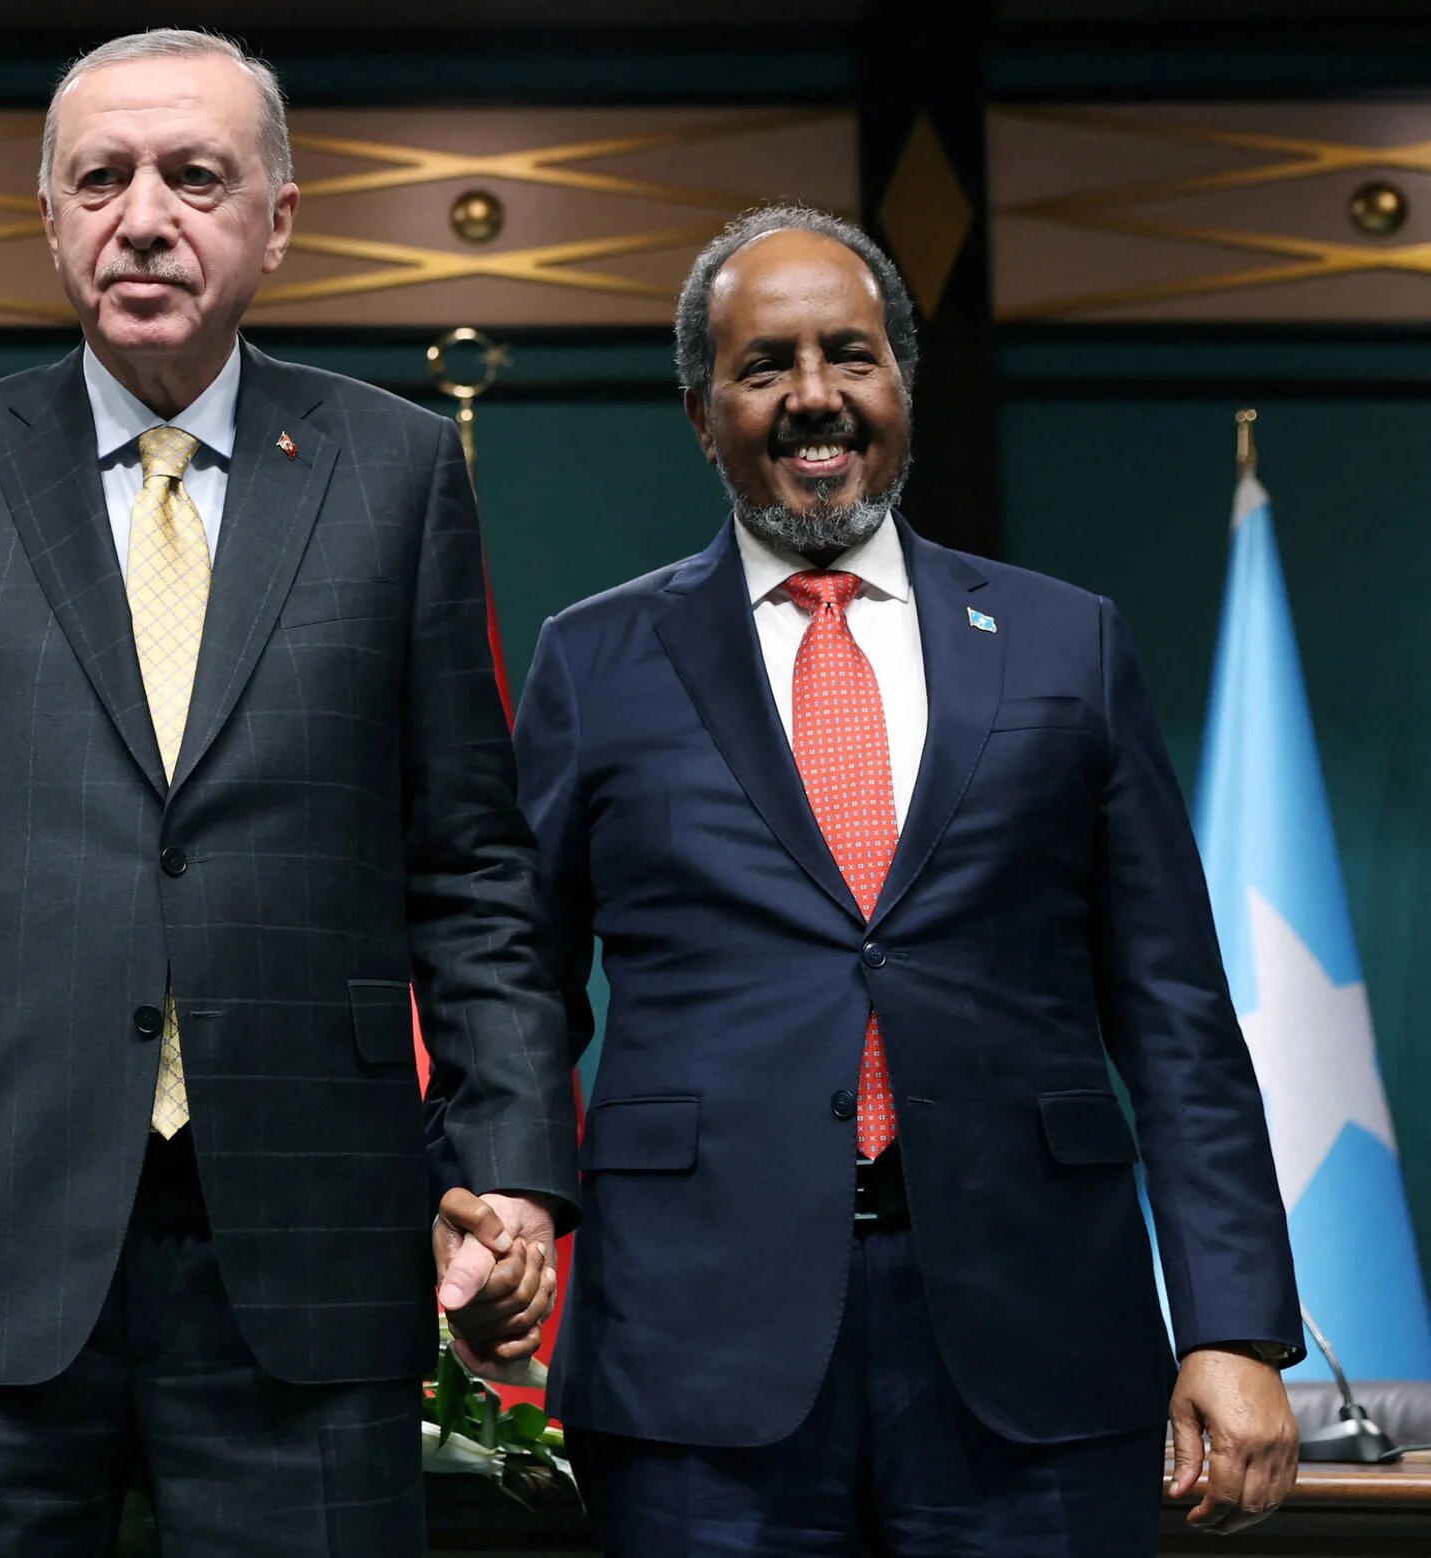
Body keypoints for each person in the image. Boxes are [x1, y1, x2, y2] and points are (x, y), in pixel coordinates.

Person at [0, 27, 575, 1557]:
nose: (143, 215)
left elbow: (471, 869)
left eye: (196, 177)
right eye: (100, 177)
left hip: (310, 1247)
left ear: (278, 218)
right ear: (49, 218)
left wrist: (511, 1163)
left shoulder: (394, 472)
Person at [512, 204, 1303, 1554]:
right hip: (699, 1347)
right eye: (766, 365)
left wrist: (1231, 1322)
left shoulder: (1067, 642)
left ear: (903, 389)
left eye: (850, 355)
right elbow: (517, 982)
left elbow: (1171, 1005)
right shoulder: (594, 659)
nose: (815, 396)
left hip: (1038, 1336)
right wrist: (509, 1195)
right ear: (704, 413)